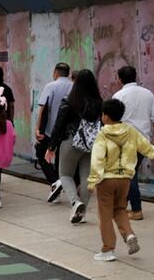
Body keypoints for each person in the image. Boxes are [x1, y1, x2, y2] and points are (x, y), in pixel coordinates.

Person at [87, 98, 154, 262]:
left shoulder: (102, 135)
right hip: (126, 179)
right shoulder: (131, 131)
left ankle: (108, 249)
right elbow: (146, 147)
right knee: (120, 209)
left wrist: (93, 180)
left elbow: (97, 160)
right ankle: (129, 235)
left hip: (106, 180)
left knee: (105, 214)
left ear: (106, 117)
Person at [45, 68, 102, 225]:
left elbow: (59, 125)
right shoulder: (99, 103)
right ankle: (81, 212)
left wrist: (51, 147)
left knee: (65, 174)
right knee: (87, 178)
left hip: (71, 142)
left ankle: (76, 203)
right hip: (92, 144)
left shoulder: (69, 101)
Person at [111, 65, 154, 221]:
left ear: (120, 79)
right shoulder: (147, 94)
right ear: (136, 76)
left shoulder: (118, 96)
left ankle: (136, 209)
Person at [36, 62, 73, 202]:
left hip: (50, 130)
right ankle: (59, 184)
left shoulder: (50, 86)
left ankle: (54, 182)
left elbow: (43, 108)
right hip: (67, 130)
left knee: (42, 154)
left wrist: (38, 128)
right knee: (60, 159)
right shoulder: (73, 86)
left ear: (56, 72)